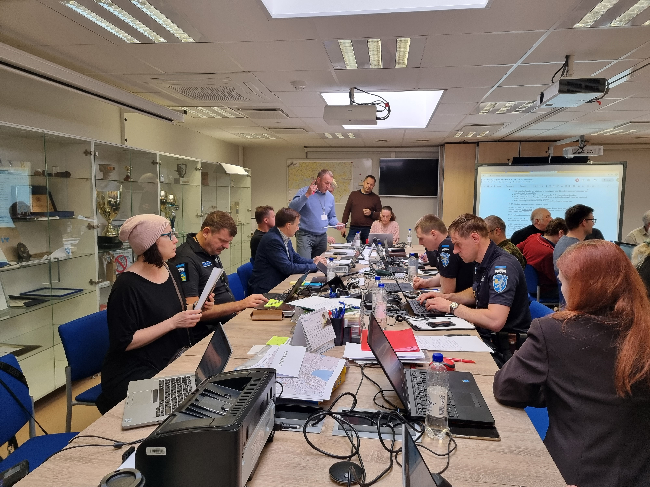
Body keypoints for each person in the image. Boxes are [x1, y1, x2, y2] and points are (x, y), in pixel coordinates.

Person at [493, 240, 650, 486]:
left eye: (563, 282)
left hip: (574, 475)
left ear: (581, 288)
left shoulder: (554, 331)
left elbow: (507, 389)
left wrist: (555, 389)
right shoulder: (643, 330)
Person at [96, 214, 213, 414]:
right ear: (150, 243)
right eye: (169, 235)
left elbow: (172, 311)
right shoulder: (126, 287)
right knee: (192, 406)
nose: (175, 240)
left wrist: (198, 308)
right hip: (133, 371)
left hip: (169, 358)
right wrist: (173, 322)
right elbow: (124, 341)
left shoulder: (170, 270)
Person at [419, 214, 531, 363]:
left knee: (435, 361)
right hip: (487, 336)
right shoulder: (483, 261)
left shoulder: (502, 267)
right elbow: (476, 292)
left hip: (505, 349)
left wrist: (451, 306)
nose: (455, 251)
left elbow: (495, 320)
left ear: (475, 238)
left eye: (458, 244)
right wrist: (446, 298)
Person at [169, 211, 268, 343]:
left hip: (228, 322)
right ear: (206, 232)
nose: (226, 246)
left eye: (228, 242)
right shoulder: (186, 259)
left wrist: (237, 310)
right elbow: (193, 312)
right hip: (209, 335)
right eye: (222, 241)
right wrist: (240, 305)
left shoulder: (210, 249)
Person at [248, 208, 327, 295]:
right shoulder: (273, 240)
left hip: (278, 282)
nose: (298, 228)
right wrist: (315, 266)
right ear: (288, 225)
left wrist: (313, 261)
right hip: (267, 289)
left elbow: (296, 258)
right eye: (297, 225)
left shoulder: (283, 236)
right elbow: (287, 268)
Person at [411, 214, 475, 294]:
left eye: (421, 238)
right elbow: (446, 275)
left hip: (464, 299)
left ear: (433, 234)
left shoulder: (446, 247)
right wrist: (426, 283)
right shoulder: (447, 242)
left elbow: (447, 292)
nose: (420, 243)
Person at [289, 169, 344, 259]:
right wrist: (307, 195)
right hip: (305, 235)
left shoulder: (330, 197)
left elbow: (331, 217)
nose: (328, 186)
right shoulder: (304, 191)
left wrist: (337, 224)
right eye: (326, 183)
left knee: (320, 264)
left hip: (322, 237)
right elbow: (292, 208)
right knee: (305, 263)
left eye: (330, 183)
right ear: (318, 180)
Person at [517, 218, 567, 296]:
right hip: (545, 291)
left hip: (527, 287)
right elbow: (557, 279)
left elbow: (517, 249)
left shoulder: (533, 237)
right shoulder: (549, 253)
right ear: (561, 233)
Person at [553, 204, 595, 275]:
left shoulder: (562, 241)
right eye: (592, 220)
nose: (593, 224)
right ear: (584, 222)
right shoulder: (578, 249)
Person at [340, 175, 382, 244]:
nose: (369, 186)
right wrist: (343, 226)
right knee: (351, 246)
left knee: (369, 247)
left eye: (371, 185)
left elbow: (380, 215)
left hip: (369, 228)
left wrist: (371, 213)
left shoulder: (376, 198)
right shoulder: (353, 195)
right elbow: (347, 211)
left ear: (373, 186)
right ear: (363, 182)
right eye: (367, 183)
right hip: (354, 228)